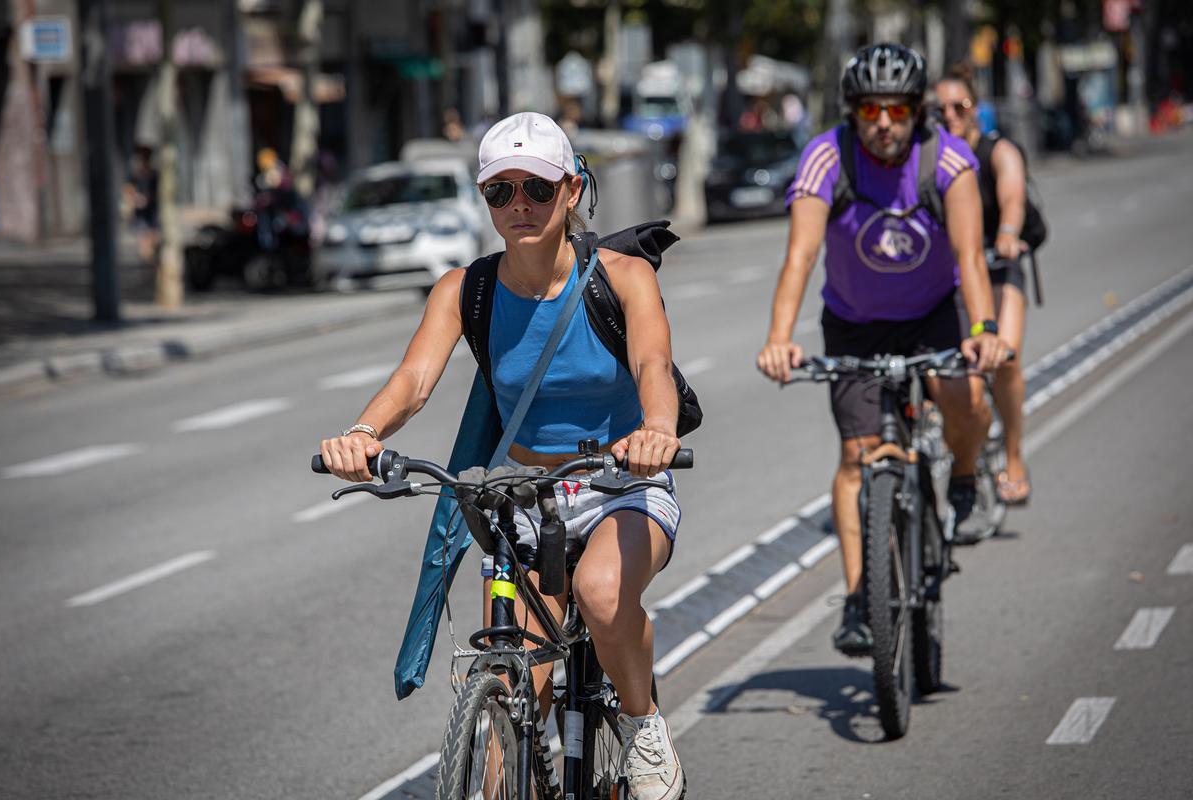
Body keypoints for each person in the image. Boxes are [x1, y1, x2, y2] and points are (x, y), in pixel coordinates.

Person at [319, 111, 686, 800]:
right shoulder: (467, 290)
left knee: (604, 596)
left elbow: (653, 363)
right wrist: (365, 432)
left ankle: (643, 728)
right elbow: (413, 381)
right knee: (511, 695)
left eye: (538, 189)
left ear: (572, 191)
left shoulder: (624, 276)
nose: (519, 206)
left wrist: (656, 431)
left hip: (621, 484)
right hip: (524, 500)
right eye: (500, 192)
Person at [756, 43, 1010, 654]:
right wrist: (779, 340)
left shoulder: (948, 161)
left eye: (897, 111)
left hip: (934, 313)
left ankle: (968, 474)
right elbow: (800, 255)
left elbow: (972, 257)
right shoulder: (826, 158)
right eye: (871, 112)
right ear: (853, 112)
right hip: (855, 321)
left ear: (917, 111)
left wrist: (982, 333)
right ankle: (858, 601)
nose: (885, 125)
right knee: (856, 456)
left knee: (965, 399)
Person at [935, 64, 1032, 505]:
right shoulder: (928, 159)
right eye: (941, 109)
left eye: (961, 106)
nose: (951, 115)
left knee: (1004, 357)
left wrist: (1009, 232)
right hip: (950, 273)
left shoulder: (997, 151)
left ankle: (1013, 456)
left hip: (995, 265)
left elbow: (1013, 196)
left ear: (977, 109)